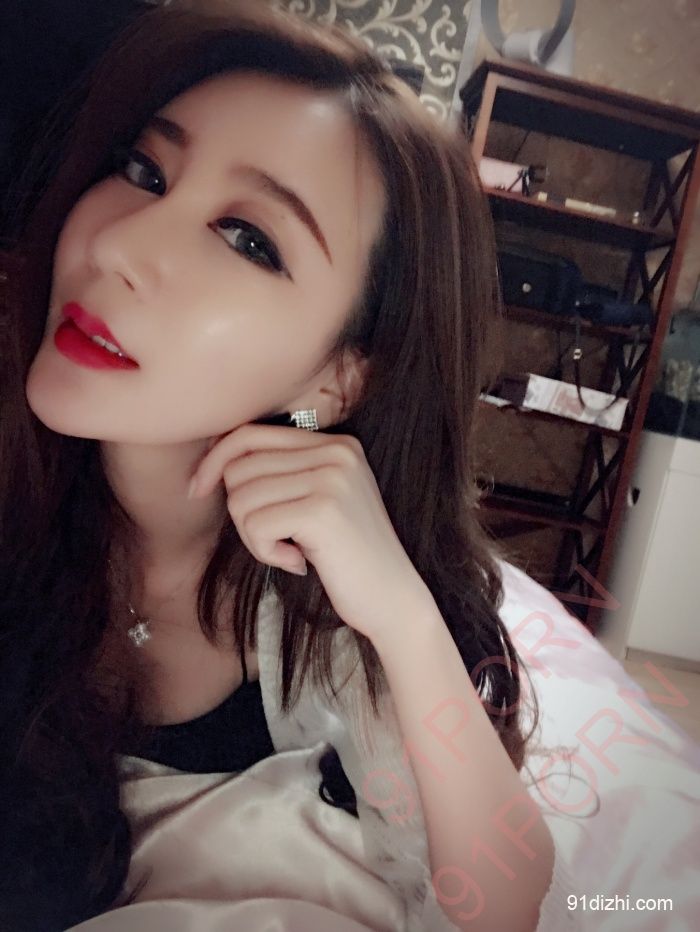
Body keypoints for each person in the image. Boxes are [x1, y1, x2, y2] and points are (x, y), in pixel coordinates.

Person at [0, 1, 581, 930]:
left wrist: (402, 614)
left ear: (340, 376)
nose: (116, 245)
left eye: (247, 239)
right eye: (143, 171)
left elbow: (503, 900)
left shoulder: (316, 613)